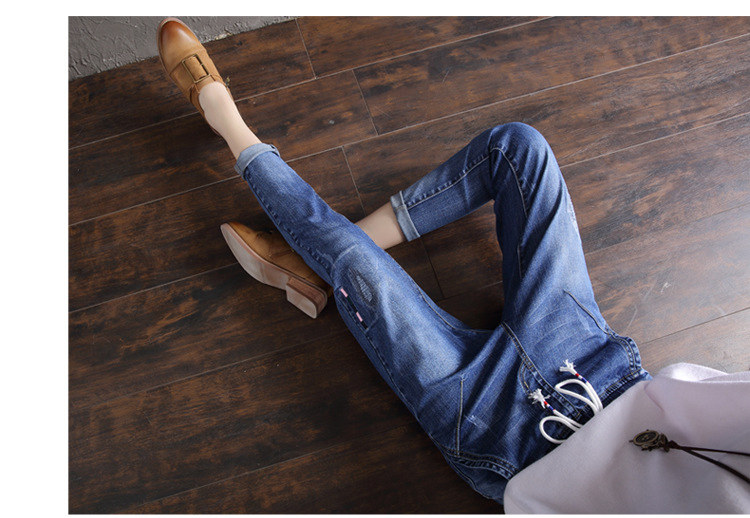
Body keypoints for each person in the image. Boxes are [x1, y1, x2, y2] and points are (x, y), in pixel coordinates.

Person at [156, 18, 750, 512]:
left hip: (504, 436)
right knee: (518, 150)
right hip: (594, 363)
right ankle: (314, 267)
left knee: (352, 262)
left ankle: (221, 114)